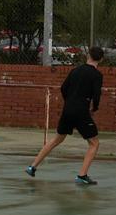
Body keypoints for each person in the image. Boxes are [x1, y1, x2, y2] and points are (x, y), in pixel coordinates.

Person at [26, 45, 105, 185]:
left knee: (57, 139)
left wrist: (69, 102)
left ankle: (32, 166)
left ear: (88, 56)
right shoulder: (97, 75)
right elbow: (97, 95)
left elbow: (63, 88)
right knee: (94, 143)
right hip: (81, 111)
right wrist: (94, 108)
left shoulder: (75, 70)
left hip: (68, 109)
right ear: (101, 59)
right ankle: (82, 175)